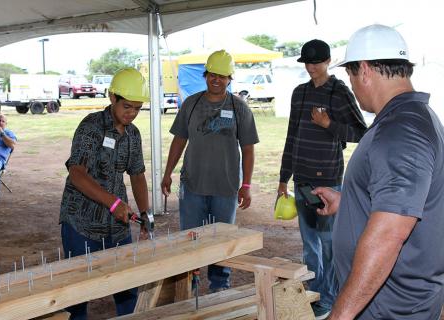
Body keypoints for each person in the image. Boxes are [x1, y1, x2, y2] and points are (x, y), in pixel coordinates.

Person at [313, 24, 444, 320]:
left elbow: (389, 234)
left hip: (388, 309)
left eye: (350, 75)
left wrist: (340, 315)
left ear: (364, 71)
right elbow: (409, 202)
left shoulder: (402, 129)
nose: (353, 86)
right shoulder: (411, 119)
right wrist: (349, 203)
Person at [277, 39, 367, 319]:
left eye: (316, 62)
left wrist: (329, 124)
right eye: (307, 62)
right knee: (310, 246)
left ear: (328, 61)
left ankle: (331, 299)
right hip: (301, 179)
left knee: (330, 246)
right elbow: (292, 135)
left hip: (329, 181)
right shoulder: (299, 93)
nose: (311, 67)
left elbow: (361, 133)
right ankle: (317, 295)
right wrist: (283, 178)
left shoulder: (339, 92)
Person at [161, 50, 259, 292]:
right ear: (205, 75)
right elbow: (179, 140)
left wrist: (245, 185)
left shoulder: (239, 108)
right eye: (212, 74)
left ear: (229, 79)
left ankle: (219, 289)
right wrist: (167, 173)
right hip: (193, 186)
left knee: (221, 243)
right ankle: (188, 288)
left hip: (225, 189)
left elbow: (248, 149)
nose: (216, 79)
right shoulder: (191, 104)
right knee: (190, 242)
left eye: (222, 76)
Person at [59, 68, 151, 319]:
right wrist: (113, 203)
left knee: (127, 287)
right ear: (112, 97)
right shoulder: (91, 127)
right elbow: (76, 174)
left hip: (117, 225)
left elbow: (137, 174)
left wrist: (145, 213)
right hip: (81, 222)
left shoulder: (133, 134)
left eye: (137, 109)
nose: (131, 114)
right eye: (127, 107)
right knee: (78, 292)